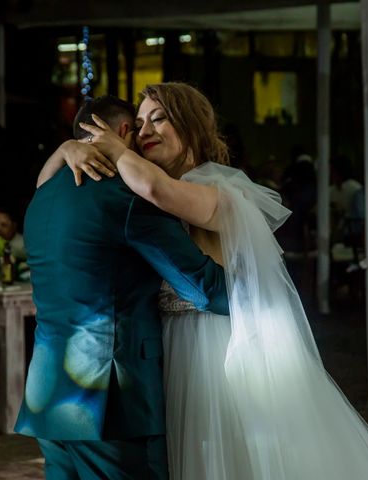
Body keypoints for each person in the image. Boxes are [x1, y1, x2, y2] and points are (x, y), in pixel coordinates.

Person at [49, 83, 368, 479]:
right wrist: (65, 150)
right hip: (162, 346)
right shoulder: (137, 190)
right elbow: (50, 190)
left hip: (214, 347)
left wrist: (115, 150)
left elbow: (159, 189)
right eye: (138, 123)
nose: (145, 131)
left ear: (191, 125)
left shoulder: (220, 188)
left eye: (159, 118)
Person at [14, 95, 229, 480]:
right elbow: (200, 287)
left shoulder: (41, 197)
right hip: (111, 401)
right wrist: (261, 291)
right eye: (140, 130)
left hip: (48, 395)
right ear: (124, 132)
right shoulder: (125, 196)